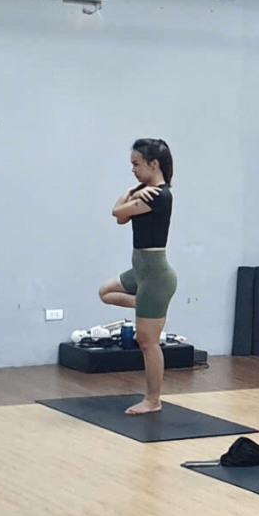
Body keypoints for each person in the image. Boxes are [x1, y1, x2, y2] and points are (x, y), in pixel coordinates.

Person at [98, 138, 177, 416]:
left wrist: (128, 194)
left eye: (136, 164)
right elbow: (122, 219)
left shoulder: (159, 196)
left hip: (155, 275)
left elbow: (116, 211)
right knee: (106, 292)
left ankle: (153, 400)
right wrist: (132, 191)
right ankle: (146, 307)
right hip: (140, 272)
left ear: (153, 164)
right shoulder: (143, 191)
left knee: (147, 342)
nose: (133, 169)